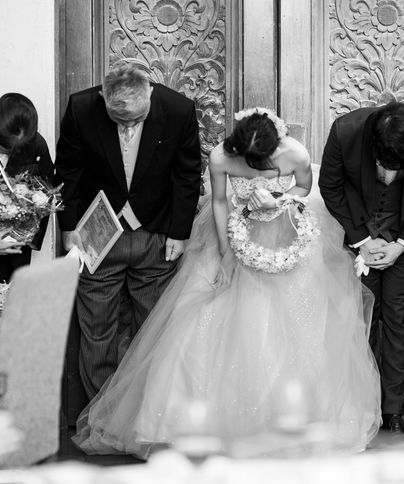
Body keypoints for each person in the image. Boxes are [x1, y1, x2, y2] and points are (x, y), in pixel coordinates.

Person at [73, 107, 381, 458]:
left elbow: (304, 187)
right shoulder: (221, 156)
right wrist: (225, 253)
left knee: (300, 322)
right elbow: (219, 202)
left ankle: (291, 425)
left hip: (283, 234)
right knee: (205, 321)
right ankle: (196, 426)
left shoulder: (295, 153)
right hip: (233, 231)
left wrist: (278, 199)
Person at [55, 62, 202, 400]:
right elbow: (68, 171)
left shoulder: (179, 109)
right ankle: (98, 413)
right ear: (103, 98)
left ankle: (144, 410)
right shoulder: (81, 107)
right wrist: (69, 228)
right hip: (97, 235)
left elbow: (187, 174)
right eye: (120, 121)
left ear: (149, 92)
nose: (128, 128)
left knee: (153, 328)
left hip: (156, 234)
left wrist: (179, 233)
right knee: (96, 330)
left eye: (136, 120)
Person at [319, 101, 404, 438]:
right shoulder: (346, 131)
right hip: (356, 237)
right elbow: (330, 186)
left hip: (403, 241)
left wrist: (400, 245)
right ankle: (359, 408)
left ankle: (393, 412)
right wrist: (362, 240)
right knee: (357, 318)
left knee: (396, 319)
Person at [0, 93, 54, 282]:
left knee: (15, 293)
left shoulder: (36, 145)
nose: (15, 151)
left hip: (18, 244)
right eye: (6, 147)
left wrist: (26, 236)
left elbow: (47, 190)